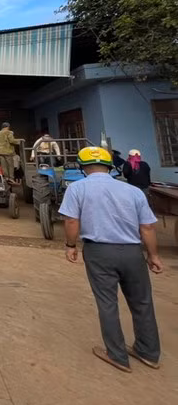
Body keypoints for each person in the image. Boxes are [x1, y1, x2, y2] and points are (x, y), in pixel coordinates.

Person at [60, 146, 162, 373]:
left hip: (99, 252)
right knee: (142, 302)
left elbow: (71, 221)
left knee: (107, 303)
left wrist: (70, 246)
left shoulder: (76, 188)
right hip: (133, 252)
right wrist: (153, 255)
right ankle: (148, 352)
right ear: (110, 166)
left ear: (82, 167)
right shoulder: (133, 191)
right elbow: (147, 227)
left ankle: (117, 355)